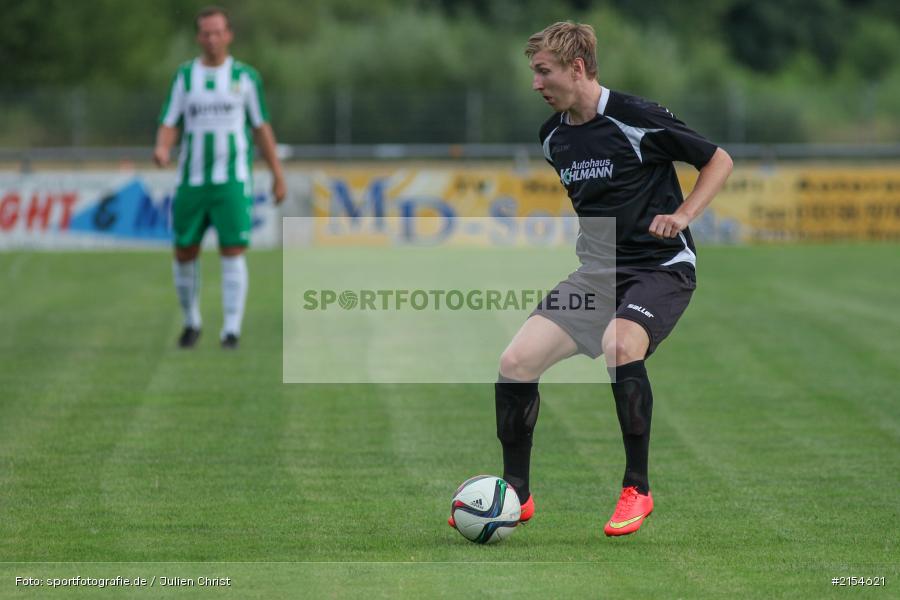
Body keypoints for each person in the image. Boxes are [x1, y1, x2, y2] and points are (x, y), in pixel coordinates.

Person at [450, 21, 732, 536]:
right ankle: (516, 493)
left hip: (660, 268)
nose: (535, 83)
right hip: (598, 275)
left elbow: (718, 159)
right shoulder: (553, 137)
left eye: (543, 72)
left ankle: (637, 489)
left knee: (619, 344)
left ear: (576, 68)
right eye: (534, 73)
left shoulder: (636, 117)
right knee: (515, 361)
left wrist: (685, 214)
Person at [154, 5, 286, 349]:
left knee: (233, 250)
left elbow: (261, 127)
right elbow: (170, 120)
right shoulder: (184, 77)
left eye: (218, 32)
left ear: (228, 35)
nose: (212, 39)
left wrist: (278, 174)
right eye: (206, 33)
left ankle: (231, 330)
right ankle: (191, 321)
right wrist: (162, 148)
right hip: (192, 181)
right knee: (184, 251)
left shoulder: (246, 77)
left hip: (232, 180)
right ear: (198, 37)